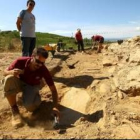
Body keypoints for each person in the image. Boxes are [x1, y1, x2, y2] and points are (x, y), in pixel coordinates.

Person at [2, 47, 60, 128]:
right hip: (19, 82)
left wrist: (55, 107)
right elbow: (4, 72)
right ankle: (15, 111)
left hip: (32, 85)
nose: (39, 65)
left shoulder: (43, 69)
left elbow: (53, 90)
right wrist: (10, 72)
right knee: (8, 79)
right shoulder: (20, 61)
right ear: (32, 56)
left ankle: (34, 99)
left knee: (30, 107)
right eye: (37, 61)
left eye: (42, 63)